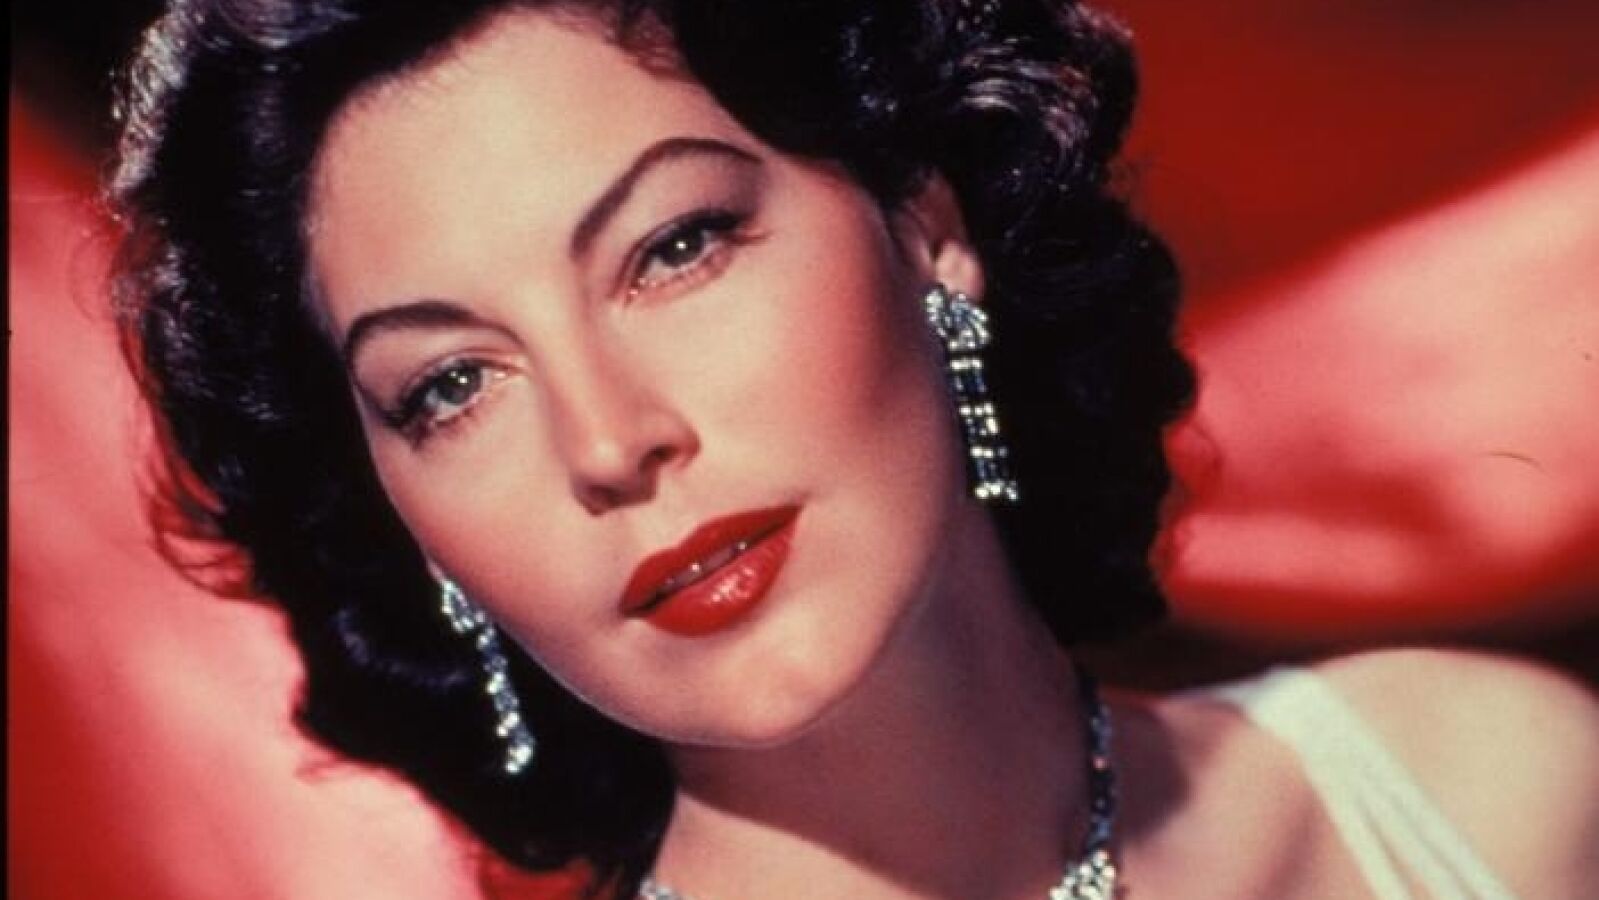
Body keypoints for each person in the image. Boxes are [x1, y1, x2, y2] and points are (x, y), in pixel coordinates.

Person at [108, 1, 1598, 898]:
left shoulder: (1481, 793)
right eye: (449, 387)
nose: (610, 439)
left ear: (923, 222)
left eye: (675, 247)